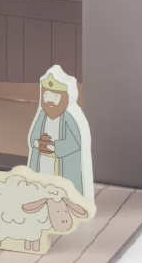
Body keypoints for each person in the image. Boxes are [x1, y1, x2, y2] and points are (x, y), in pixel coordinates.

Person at [26, 66, 94, 200]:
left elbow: (76, 142)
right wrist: (38, 143)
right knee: (43, 183)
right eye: (46, 96)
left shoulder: (69, 118)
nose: (49, 100)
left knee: (58, 189)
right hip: (42, 160)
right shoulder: (42, 116)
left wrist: (55, 147)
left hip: (61, 163)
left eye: (55, 97)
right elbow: (33, 136)